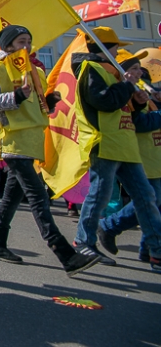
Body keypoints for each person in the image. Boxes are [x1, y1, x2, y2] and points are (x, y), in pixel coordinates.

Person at [0, 25, 98, 276]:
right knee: (39, 196)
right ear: (7, 46)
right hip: (13, 141)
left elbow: (37, 107)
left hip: (33, 141)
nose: (26, 46)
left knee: (12, 197)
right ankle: (64, 253)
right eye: (20, 41)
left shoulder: (36, 69)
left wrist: (49, 103)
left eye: (28, 41)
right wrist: (16, 96)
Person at [70, 28, 161, 269]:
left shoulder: (114, 73)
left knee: (146, 196)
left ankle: (156, 251)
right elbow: (104, 101)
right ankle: (83, 241)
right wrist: (128, 87)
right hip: (105, 142)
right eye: (115, 48)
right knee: (99, 195)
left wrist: (138, 104)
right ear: (104, 49)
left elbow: (125, 109)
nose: (118, 52)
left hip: (125, 144)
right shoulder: (93, 70)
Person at [98, 70, 161, 267]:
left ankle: (147, 249)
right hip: (143, 160)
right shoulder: (135, 96)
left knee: (155, 206)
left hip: (156, 158)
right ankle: (110, 225)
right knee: (148, 203)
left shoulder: (152, 97)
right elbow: (138, 123)